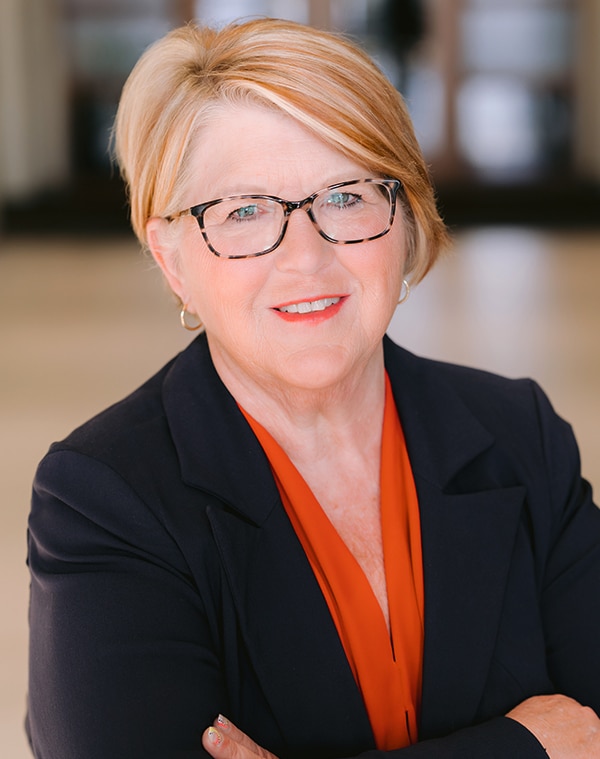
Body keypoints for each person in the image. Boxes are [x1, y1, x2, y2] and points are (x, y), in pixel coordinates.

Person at [26, 17, 600, 759]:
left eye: (347, 196)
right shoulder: (105, 496)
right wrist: (525, 746)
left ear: (408, 217)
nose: (307, 258)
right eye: (243, 211)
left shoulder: (520, 432)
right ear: (172, 259)